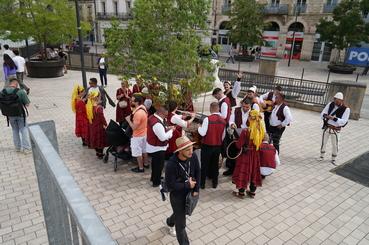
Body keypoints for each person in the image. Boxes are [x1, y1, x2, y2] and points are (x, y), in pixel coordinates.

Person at [165, 135, 200, 245]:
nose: (191, 151)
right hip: (177, 197)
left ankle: (170, 222)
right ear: (180, 151)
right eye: (187, 149)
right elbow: (170, 185)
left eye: (191, 148)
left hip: (191, 193)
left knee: (181, 213)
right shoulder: (171, 165)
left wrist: (196, 189)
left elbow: (198, 171)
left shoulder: (193, 156)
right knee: (181, 226)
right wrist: (186, 185)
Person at [232, 110, 265, 199]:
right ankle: (252, 192)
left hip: (246, 155)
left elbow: (239, 145)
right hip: (256, 155)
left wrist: (236, 142)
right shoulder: (261, 130)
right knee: (254, 172)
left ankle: (241, 193)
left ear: (250, 118)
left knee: (244, 171)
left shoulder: (246, 131)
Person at [198, 102, 226, 189]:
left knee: (204, 165)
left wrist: (199, 127)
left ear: (211, 109)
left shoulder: (207, 119)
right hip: (217, 146)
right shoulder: (223, 121)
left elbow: (203, 133)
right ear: (218, 109)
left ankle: (202, 184)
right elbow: (223, 135)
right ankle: (215, 183)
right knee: (215, 165)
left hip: (207, 146)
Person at [0, 78, 31, 154]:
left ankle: (17, 148)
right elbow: (27, 104)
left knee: (14, 130)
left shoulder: (2, 92)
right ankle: (27, 148)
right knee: (23, 129)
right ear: (16, 84)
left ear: (9, 83)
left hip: (10, 115)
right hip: (20, 114)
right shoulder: (20, 92)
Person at [146, 104, 174, 187]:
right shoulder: (157, 123)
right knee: (159, 165)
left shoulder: (153, 117)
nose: (166, 116)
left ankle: (154, 178)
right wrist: (171, 131)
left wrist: (167, 128)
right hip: (157, 147)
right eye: (166, 114)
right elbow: (162, 138)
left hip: (154, 146)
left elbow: (160, 130)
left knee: (155, 164)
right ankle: (156, 182)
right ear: (161, 113)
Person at [223, 98, 252, 176]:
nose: (245, 109)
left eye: (247, 107)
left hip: (246, 137)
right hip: (236, 135)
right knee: (232, 152)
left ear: (250, 106)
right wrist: (232, 124)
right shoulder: (236, 110)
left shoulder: (253, 113)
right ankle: (231, 169)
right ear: (242, 105)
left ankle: (241, 171)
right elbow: (231, 120)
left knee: (243, 154)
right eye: (244, 107)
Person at [319, 92, 350, 165]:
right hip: (327, 127)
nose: (336, 102)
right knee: (323, 142)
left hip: (336, 129)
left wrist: (334, 119)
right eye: (335, 100)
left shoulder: (346, 109)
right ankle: (321, 156)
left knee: (335, 145)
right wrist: (326, 116)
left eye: (337, 101)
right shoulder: (330, 104)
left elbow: (344, 121)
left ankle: (333, 158)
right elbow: (322, 114)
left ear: (341, 100)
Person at [125, 94, 148, 173]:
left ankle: (141, 168)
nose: (131, 101)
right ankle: (146, 163)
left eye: (132, 100)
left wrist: (128, 120)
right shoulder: (143, 108)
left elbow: (134, 127)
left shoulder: (138, 114)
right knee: (144, 150)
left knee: (138, 153)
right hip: (144, 133)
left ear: (137, 102)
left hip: (137, 135)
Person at [86, 91, 107, 159]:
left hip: (93, 126)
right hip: (99, 126)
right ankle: (100, 154)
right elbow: (102, 118)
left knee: (95, 139)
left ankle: (97, 153)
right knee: (100, 140)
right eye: (99, 96)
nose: (100, 97)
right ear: (96, 97)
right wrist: (105, 124)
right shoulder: (99, 107)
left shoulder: (90, 106)